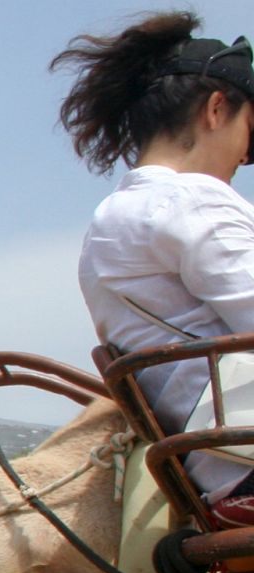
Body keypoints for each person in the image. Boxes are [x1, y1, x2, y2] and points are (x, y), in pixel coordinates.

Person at [53, 13, 254, 525]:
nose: (246, 157)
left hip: (209, 466)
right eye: (249, 131)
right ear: (215, 109)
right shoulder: (195, 200)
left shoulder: (106, 223)